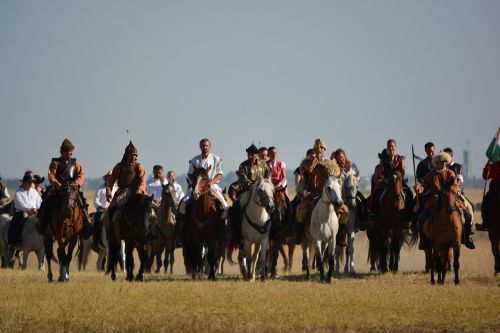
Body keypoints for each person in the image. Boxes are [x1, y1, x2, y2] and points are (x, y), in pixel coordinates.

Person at [414, 152, 475, 249]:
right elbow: (424, 186)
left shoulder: (450, 173)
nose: (443, 163)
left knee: (467, 215)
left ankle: (466, 237)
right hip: (434, 200)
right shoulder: (431, 175)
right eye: (441, 162)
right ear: (436, 163)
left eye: (444, 162)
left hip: (450, 200)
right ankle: (423, 240)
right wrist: (419, 188)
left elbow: (455, 187)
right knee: (421, 217)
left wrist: (448, 192)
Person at [36, 138, 92, 237]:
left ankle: (87, 223)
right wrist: (57, 183)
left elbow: (81, 175)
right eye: (68, 152)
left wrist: (76, 183)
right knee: (47, 202)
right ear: (63, 152)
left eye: (71, 152)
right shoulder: (55, 163)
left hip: (72, 189)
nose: (70, 154)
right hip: (58, 189)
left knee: (82, 203)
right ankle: (42, 224)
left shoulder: (76, 163)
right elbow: (51, 175)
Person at [178, 138, 229, 219]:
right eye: (203, 146)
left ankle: (225, 211)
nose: (205, 147)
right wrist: (195, 183)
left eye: (206, 146)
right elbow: (190, 174)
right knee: (185, 200)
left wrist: (211, 182)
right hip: (196, 184)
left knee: (221, 198)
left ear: (209, 146)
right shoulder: (195, 160)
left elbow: (219, 174)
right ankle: (182, 220)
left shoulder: (216, 159)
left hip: (211, 184)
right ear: (200, 147)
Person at [104, 141, 146, 225]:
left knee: (151, 208)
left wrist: (140, 190)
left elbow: (142, 181)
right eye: (132, 156)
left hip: (137, 192)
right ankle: (111, 235)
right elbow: (110, 181)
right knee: (109, 212)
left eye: (135, 156)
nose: (134, 158)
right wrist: (108, 190)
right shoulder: (119, 167)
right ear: (127, 155)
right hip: (122, 193)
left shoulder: (139, 167)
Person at [7, 174, 42, 252]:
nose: (30, 184)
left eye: (31, 183)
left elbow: (39, 202)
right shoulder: (18, 193)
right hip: (22, 212)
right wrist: (30, 209)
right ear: (24, 183)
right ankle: (12, 243)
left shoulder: (34, 192)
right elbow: (20, 204)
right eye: (29, 182)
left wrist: (37, 208)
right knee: (15, 224)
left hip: (34, 213)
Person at [476, 159, 500, 231]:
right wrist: (488, 165)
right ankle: (485, 223)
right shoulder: (496, 164)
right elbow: (486, 176)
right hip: (494, 191)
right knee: (485, 203)